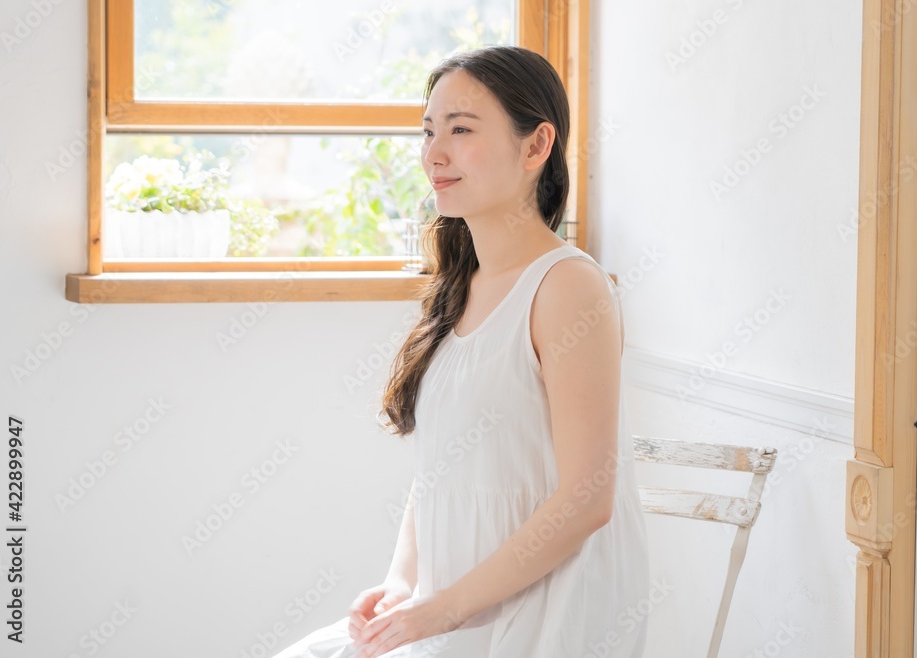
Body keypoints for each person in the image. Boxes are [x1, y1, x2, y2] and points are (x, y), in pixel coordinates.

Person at [271, 44, 651, 658]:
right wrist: (402, 584)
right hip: (450, 609)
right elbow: (442, 470)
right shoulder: (461, 285)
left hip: (545, 613)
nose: (434, 154)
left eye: (461, 130)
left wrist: (441, 610)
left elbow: (587, 500)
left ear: (536, 145)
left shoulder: (569, 287)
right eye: (428, 132)